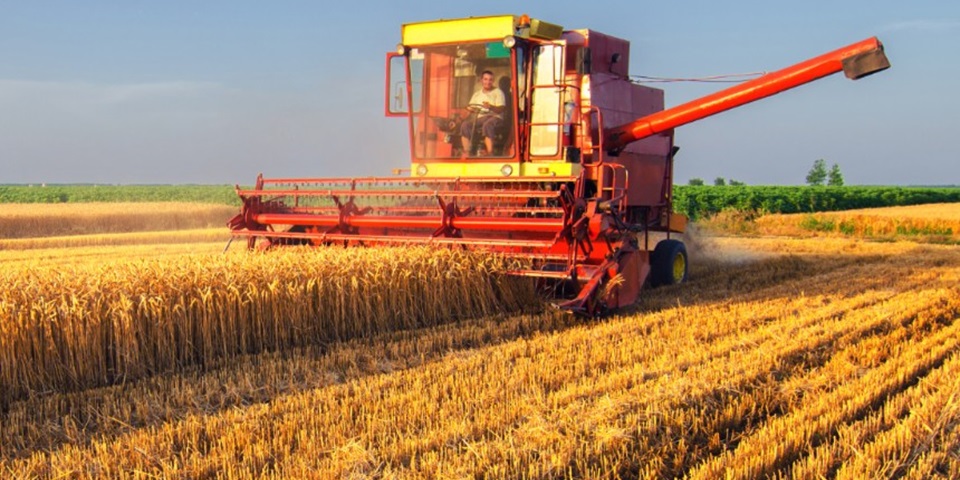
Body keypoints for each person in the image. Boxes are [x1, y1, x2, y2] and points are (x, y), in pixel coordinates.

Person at [460, 70, 505, 156]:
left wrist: (490, 106)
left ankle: (490, 152)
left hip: (495, 117)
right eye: (485, 79)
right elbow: (470, 108)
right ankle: (467, 152)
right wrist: (461, 118)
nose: (488, 82)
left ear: (493, 81)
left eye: (490, 80)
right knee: (465, 125)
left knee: (487, 125)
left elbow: (501, 109)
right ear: (481, 80)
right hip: (480, 118)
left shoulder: (498, 92)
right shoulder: (477, 94)